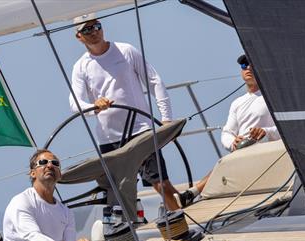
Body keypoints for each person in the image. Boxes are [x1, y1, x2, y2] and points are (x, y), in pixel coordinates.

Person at [69, 14, 182, 213]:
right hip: (109, 139)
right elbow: (75, 103)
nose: (94, 32)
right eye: (87, 30)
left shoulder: (126, 51)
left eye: (96, 26)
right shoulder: (80, 67)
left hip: (141, 130)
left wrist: (166, 120)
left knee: (160, 184)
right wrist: (94, 105)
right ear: (78, 37)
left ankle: (182, 223)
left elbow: (154, 81)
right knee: (119, 194)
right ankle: (133, 235)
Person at [174, 54, 281, 208]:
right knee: (225, 162)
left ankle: (192, 193)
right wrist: (233, 142)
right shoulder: (237, 103)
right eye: (244, 65)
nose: (248, 68)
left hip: (267, 151)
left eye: (252, 63)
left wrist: (266, 131)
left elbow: (287, 129)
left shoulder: (273, 97)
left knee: (225, 163)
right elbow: (227, 133)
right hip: (242, 151)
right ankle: (192, 194)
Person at [1, 149, 91, 241]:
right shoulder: (21, 201)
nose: (49, 166)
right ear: (33, 173)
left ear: (59, 174)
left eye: (55, 163)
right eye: (43, 162)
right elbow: (31, 236)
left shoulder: (66, 213)